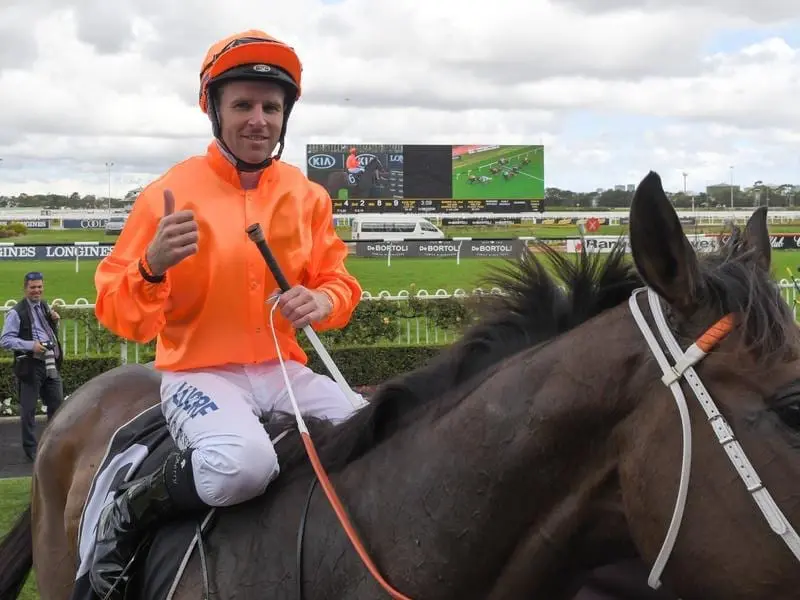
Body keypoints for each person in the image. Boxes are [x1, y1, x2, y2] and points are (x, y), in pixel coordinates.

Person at [89, 30, 363, 599]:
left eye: (271, 107)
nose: (258, 119)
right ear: (214, 110)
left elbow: (338, 280)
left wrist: (323, 300)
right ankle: (130, 506)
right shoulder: (168, 193)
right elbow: (119, 314)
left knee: (376, 435)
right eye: (242, 104)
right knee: (243, 466)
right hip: (199, 374)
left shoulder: (308, 197)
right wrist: (150, 267)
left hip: (283, 370)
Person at [0, 271, 64, 462]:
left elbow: (47, 332)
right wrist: (30, 346)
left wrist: (55, 322)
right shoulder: (16, 312)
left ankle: (54, 445)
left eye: (39, 287)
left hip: (50, 363)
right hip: (30, 365)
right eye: (33, 287)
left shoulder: (44, 305)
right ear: (25, 288)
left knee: (57, 406)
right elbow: (5, 340)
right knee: (28, 410)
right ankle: (31, 449)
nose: (37, 290)